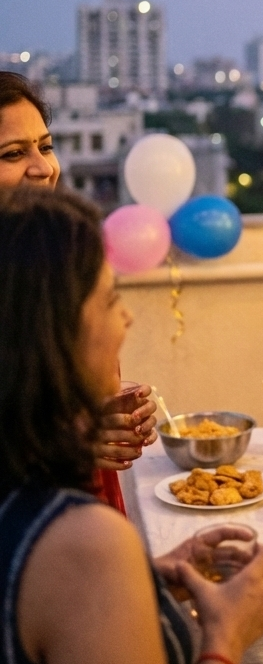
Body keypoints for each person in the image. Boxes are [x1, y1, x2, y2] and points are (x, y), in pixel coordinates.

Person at [0, 186, 263, 664]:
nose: (127, 321)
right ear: (53, 334)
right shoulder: (81, 542)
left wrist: (142, 581)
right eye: (110, 300)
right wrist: (224, 643)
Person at [0, 70, 158, 510]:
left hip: (88, 512)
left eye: (46, 146)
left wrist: (115, 408)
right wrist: (71, 442)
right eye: (13, 153)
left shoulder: (56, 265)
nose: (44, 168)